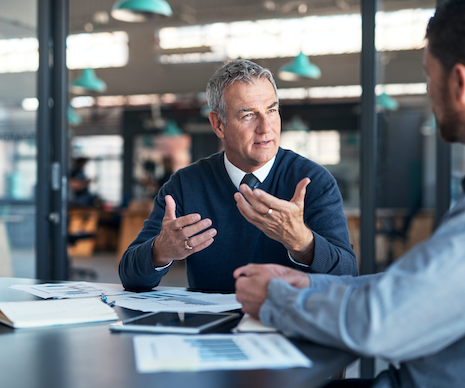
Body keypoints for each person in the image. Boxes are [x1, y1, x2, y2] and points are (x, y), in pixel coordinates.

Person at [234, 2, 465, 387]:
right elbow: (413, 289)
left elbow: (384, 320)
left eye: (428, 76)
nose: (428, 93)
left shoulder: (314, 179)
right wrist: (308, 285)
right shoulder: (185, 182)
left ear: (460, 84)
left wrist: (278, 299)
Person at [119, 59, 357, 292]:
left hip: (285, 323)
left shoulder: (313, 182)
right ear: (218, 124)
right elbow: (130, 277)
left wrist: (303, 243)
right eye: (248, 115)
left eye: (272, 110)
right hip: (209, 327)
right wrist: (160, 251)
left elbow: (348, 276)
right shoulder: (184, 185)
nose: (266, 128)